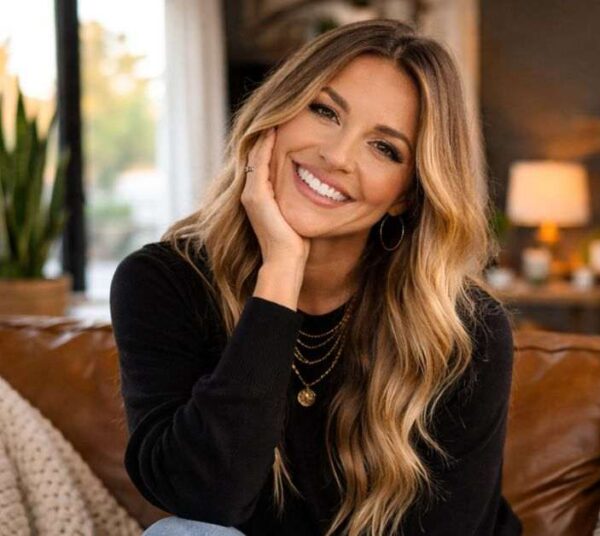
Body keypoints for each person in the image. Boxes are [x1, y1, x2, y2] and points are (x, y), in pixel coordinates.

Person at [110, 19, 522, 536]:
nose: (337, 156)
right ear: (274, 117)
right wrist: (281, 270)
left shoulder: (464, 329)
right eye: (325, 111)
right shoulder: (164, 282)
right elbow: (204, 498)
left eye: (384, 148)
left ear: (406, 195)